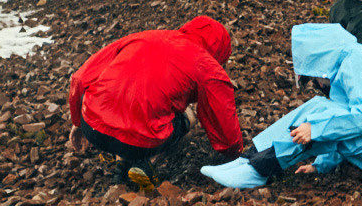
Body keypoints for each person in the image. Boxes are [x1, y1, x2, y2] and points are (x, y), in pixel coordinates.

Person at [201, 22, 362, 189]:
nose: (317, 83)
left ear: (320, 61)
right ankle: (249, 161)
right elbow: (350, 128)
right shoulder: (351, 63)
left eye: (313, 78)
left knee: (321, 111)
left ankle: (257, 169)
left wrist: (316, 130)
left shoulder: (357, 62)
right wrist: (322, 164)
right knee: (323, 111)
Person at [66, 15, 242, 184]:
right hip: (140, 142)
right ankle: (146, 161)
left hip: (93, 128)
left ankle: (121, 167)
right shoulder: (207, 65)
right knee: (186, 116)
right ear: (220, 53)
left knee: (125, 109)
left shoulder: (143, 37)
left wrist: (78, 122)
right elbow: (221, 117)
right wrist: (236, 155)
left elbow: (80, 78)